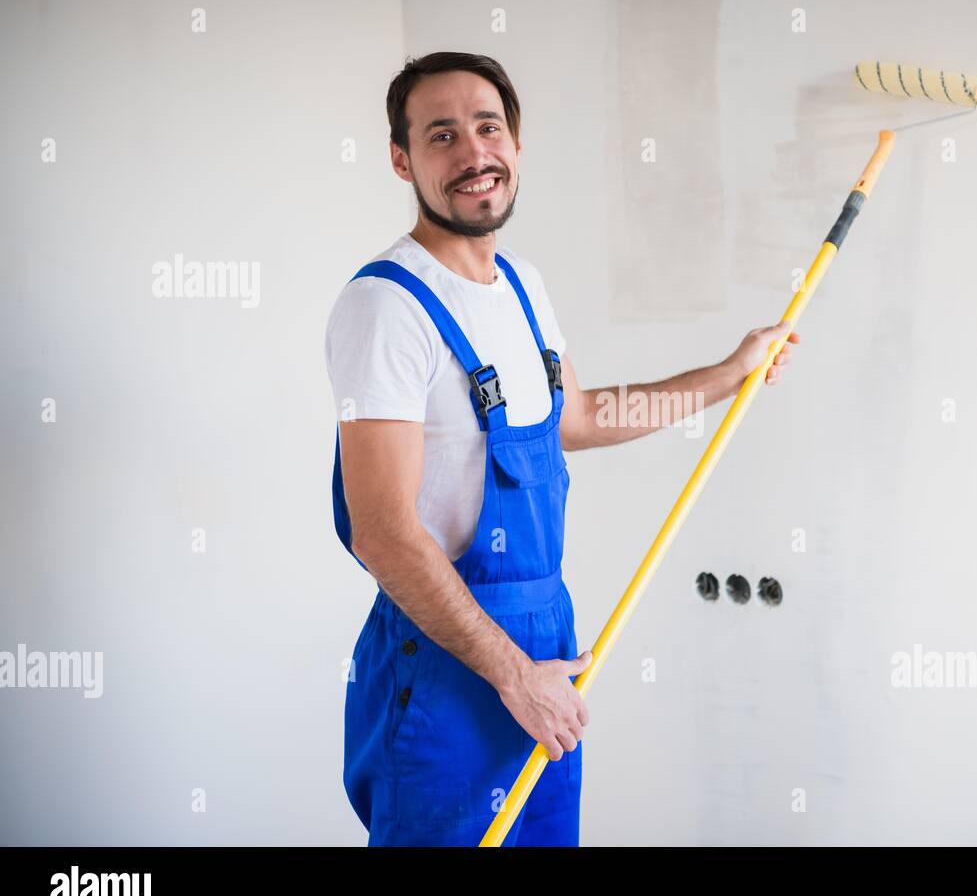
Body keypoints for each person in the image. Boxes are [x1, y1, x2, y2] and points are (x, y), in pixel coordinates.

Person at [325, 51, 798, 846]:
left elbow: (575, 417)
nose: (474, 154)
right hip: (450, 663)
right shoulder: (385, 307)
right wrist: (512, 675)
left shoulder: (520, 286)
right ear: (402, 158)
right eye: (442, 136)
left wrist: (728, 373)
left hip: (545, 644)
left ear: (515, 142)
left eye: (488, 127)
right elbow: (381, 532)